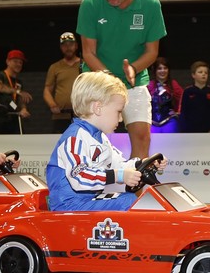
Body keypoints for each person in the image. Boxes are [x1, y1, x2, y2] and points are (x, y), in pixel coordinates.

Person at [77, 0, 167, 160]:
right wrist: (109, 79)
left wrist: (134, 68)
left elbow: (152, 52)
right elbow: (88, 52)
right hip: (97, 80)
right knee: (91, 142)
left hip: (134, 81)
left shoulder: (150, 4)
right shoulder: (91, 3)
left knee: (142, 136)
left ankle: (134, 182)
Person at [47, 71, 147, 212]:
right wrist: (119, 175)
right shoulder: (75, 137)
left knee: (129, 198)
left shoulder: (100, 137)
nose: (120, 119)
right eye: (119, 112)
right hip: (67, 206)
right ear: (97, 108)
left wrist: (141, 164)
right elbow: (80, 176)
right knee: (127, 202)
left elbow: (118, 164)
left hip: (87, 201)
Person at [44, 32, 81, 128]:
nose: (68, 48)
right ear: (61, 47)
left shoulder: (85, 65)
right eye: (65, 45)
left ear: (76, 46)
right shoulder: (55, 67)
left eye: (71, 44)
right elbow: (47, 90)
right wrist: (52, 105)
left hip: (82, 116)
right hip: (61, 116)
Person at [0, 50, 32, 135]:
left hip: (14, 118)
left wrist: (23, 109)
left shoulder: (18, 82)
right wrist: (17, 91)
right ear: (7, 62)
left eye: (20, 62)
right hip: (0, 119)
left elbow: (20, 99)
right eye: (15, 61)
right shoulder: (0, 76)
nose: (18, 64)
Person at [178, 61, 210, 133]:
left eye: (206, 73)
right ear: (193, 75)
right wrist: (185, 129)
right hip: (190, 131)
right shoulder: (187, 91)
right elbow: (183, 112)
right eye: (200, 72)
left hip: (209, 131)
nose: (203, 74)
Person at [148, 58, 182, 133]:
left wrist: (178, 112)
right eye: (159, 68)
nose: (162, 71)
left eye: (165, 68)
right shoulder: (150, 85)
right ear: (155, 70)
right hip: (151, 122)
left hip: (170, 121)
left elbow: (183, 100)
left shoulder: (174, 85)